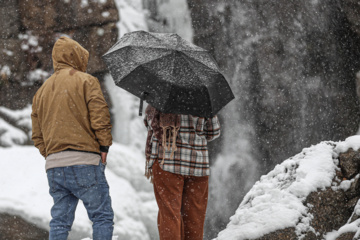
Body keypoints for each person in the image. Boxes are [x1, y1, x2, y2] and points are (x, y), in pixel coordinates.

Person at [31, 36, 114, 240]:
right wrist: (104, 147)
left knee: (60, 221)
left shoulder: (41, 91)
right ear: (77, 56)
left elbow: (37, 134)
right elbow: (100, 117)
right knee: (101, 217)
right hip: (85, 161)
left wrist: (52, 154)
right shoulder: (86, 81)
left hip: (55, 167)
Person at [144, 105, 221, 240]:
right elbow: (213, 132)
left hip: (168, 163)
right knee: (195, 218)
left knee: (170, 216)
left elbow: (150, 123)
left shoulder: (162, 95)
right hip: (197, 166)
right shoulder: (203, 98)